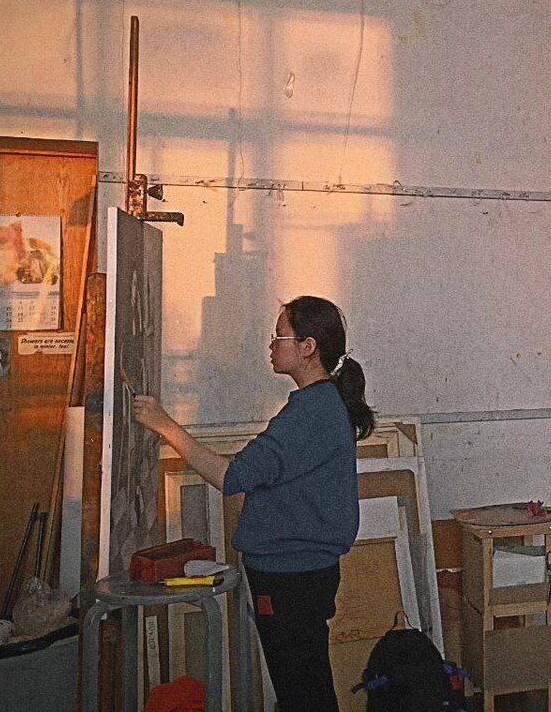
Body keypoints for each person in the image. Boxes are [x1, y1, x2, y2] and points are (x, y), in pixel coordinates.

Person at [134, 295, 375, 712]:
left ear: (308, 347)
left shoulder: (309, 413)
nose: (271, 344)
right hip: (300, 574)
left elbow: (231, 478)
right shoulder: (320, 405)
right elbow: (267, 480)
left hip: (290, 578)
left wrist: (165, 426)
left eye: (279, 336)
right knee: (305, 689)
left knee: (303, 694)